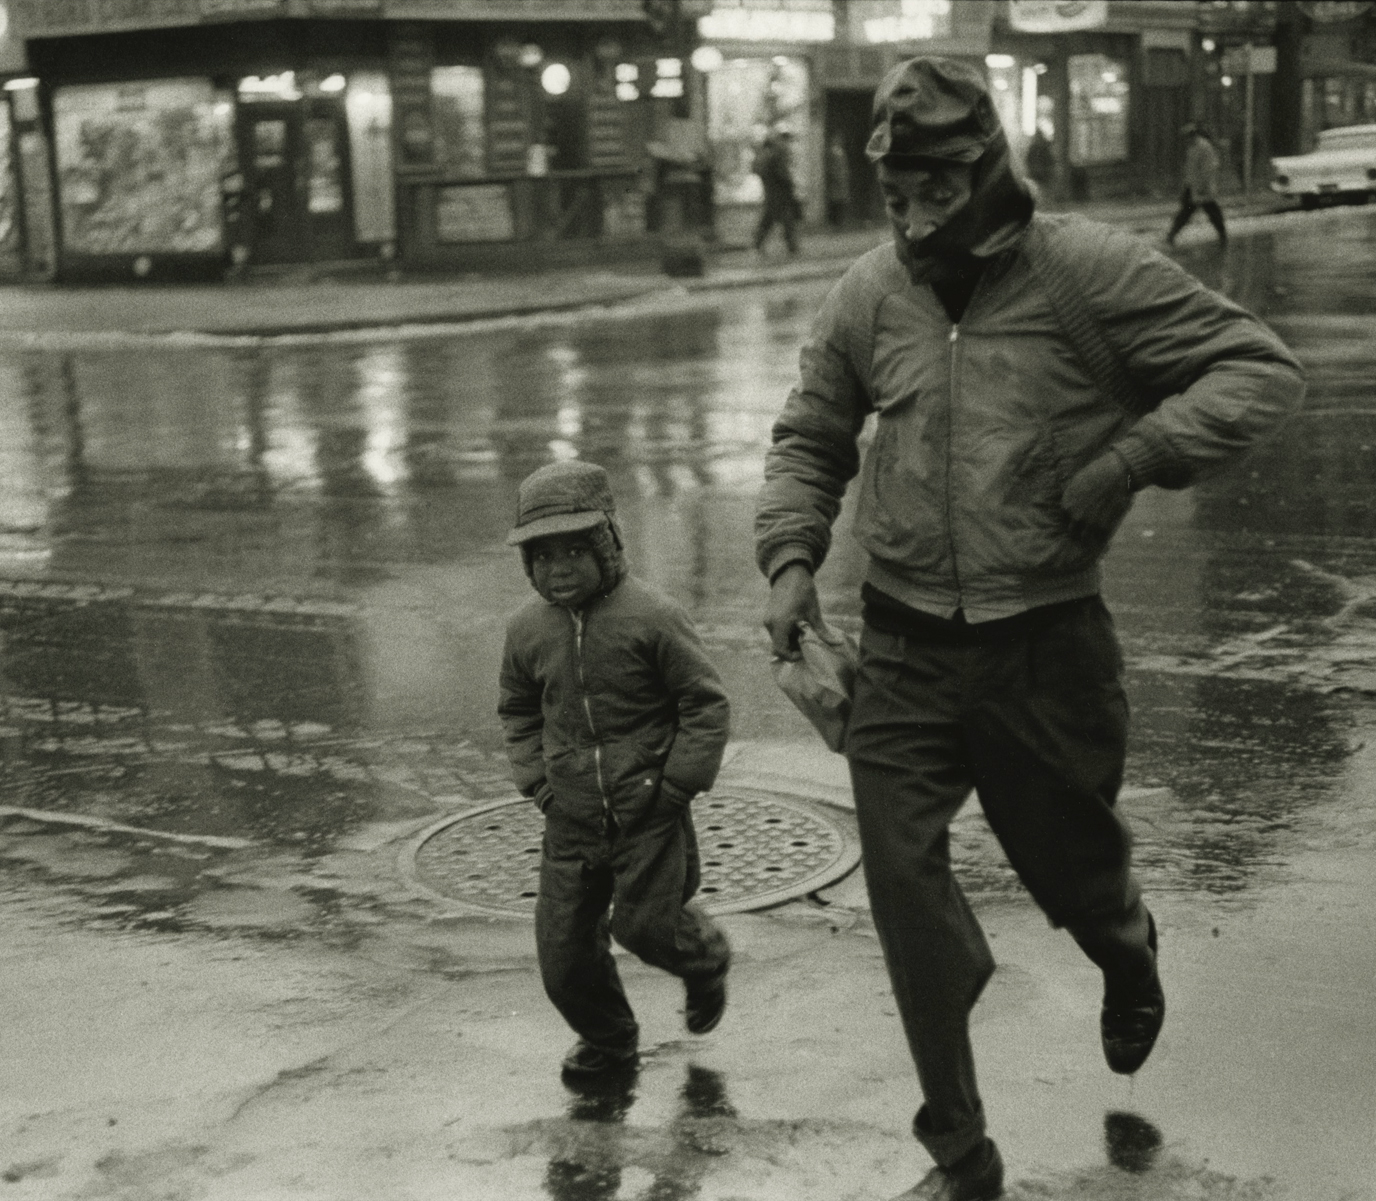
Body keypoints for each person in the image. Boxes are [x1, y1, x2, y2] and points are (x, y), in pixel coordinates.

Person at [755, 57, 1304, 1201]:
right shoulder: (868, 294)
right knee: (903, 889)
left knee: (1071, 865)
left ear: (987, 171)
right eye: (892, 192)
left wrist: (1130, 462)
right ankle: (960, 1147)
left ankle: (1123, 943)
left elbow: (1257, 369)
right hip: (900, 648)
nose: (909, 219)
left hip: (1045, 648)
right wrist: (792, 556)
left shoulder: (1087, 276)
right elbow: (812, 433)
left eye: (932, 191)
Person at [499, 459, 733, 1083]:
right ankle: (609, 1039)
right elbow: (519, 710)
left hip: (648, 811)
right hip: (570, 819)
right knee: (562, 955)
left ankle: (703, 960)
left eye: (576, 549)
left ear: (607, 542)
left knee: (647, 927)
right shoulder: (526, 631)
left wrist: (678, 783)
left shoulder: (652, 616)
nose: (560, 568)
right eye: (543, 556)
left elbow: (703, 702)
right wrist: (539, 782)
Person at [1167, 123, 1227, 247]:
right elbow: (1191, 168)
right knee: (1189, 211)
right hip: (1194, 185)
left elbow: (1209, 167)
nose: (1185, 140)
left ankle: (1222, 235)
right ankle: (1172, 235)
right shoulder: (1193, 147)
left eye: (1187, 137)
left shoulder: (1204, 146)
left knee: (1210, 211)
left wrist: (1201, 185)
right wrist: (1187, 184)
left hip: (1203, 187)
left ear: (1193, 135)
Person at [753, 127, 801, 255]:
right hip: (780, 193)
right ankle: (792, 247)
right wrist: (790, 184)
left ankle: (758, 242)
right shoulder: (777, 153)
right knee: (786, 219)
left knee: (769, 219)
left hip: (772, 192)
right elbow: (782, 173)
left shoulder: (767, 154)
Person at [825, 138, 852, 227]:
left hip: (839, 179)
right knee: (838, 201)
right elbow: (835, 167)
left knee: (839, 200)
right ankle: (837, 221)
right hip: (838, 180)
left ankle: (838, 221)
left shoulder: (838, 152)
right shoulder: (836, 152)